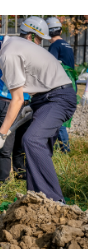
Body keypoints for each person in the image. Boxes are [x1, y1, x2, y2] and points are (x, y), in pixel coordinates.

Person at [0, 20, 76, 204]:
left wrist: (1, 134)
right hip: (44, 98)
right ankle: (37, 201)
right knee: (39, 148)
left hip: (58, 98)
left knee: (31, 140)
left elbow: (18, 99)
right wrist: (34, 105)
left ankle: (55, 201)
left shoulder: (8, 53)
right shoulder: (11, 44)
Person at [0, 16, 50, 183]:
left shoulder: (22, 49)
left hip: (23, 102)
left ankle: (20, 174)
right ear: (31, 36)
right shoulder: (13, 50)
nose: (40, 44)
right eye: (39, 39)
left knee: (21, 142)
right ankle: (3, 182)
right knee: (5, 144)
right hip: (6, 102)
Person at [47, 17, 75, 153]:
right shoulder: (67, 45)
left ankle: (65, 150)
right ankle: (62, 148)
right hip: (70, 84)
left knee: (58, 119)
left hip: (60, 84)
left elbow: (49, 66)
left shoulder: (54, 46)